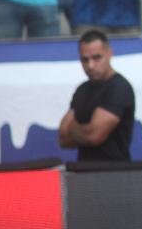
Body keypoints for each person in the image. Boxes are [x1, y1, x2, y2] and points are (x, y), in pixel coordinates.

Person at [58, 29, 136, 161]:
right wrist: (83, 131)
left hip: (114, 169)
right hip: (83, 169)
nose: (91, 65)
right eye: (85, 60)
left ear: (109, 53)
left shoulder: (119, 87)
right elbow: (63, 138)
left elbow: (93, 136)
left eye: (97, 58)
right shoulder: (82, 89)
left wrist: (73, 128)